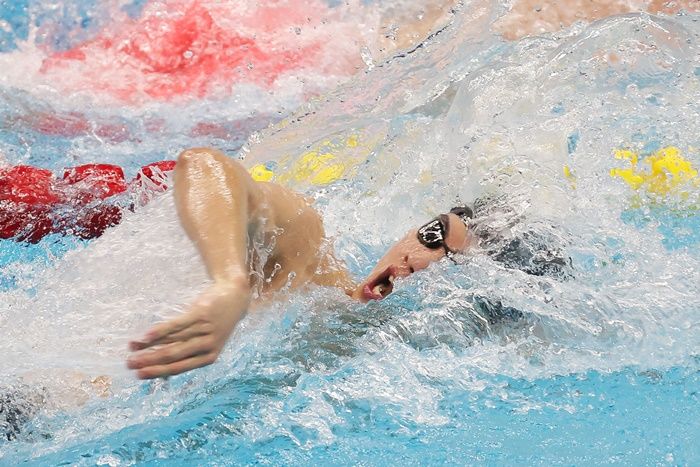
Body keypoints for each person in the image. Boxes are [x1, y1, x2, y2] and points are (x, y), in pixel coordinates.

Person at [126, 147, 478, 379]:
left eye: (447, 261)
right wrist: (229, 282)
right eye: (433, 233)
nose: (418, 259)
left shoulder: (376, 362)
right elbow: (204, 164)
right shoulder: (306, 250)